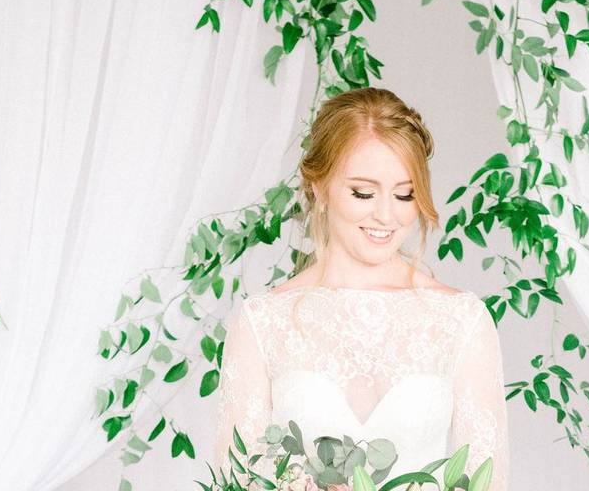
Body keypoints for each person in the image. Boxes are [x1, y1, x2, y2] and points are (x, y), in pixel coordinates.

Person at [214, 87, 509, 490]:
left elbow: (488, 482)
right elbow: (236, 479)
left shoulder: (461, 320)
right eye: (363, 192)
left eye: (404, 194)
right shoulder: (263, 322)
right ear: (318, 186)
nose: (386, 214)